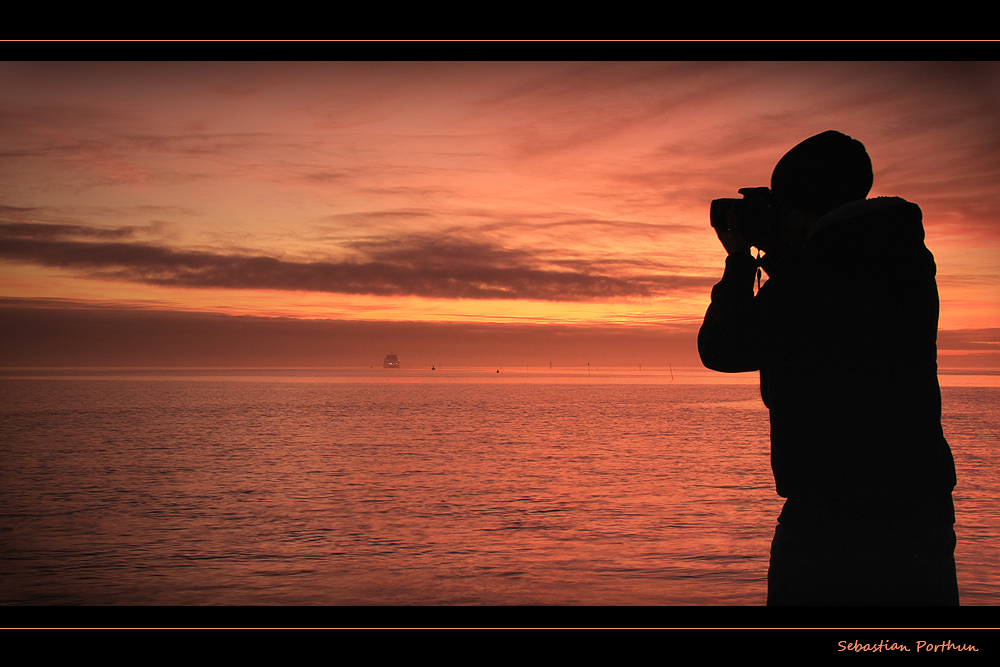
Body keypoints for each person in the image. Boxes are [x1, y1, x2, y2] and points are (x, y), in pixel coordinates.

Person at [698, 130, 959, 605]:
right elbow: (821, 334)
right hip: (920, 513)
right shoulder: (896, 255)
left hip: (835, 522)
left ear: (803, 202)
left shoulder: (822, 272)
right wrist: (784, 258)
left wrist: (739, 261)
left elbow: (723, 347)